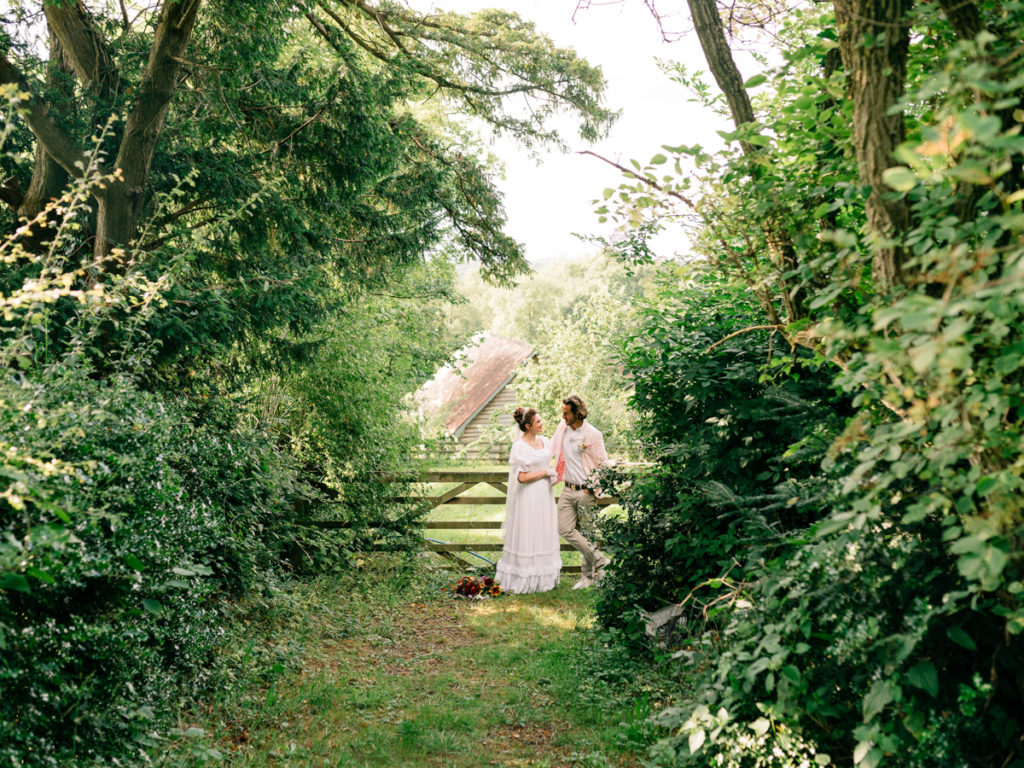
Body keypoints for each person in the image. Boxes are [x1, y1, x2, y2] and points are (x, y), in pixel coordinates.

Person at [494, 407, 563, 594]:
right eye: (538, 422)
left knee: (543, 529)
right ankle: (524, 576)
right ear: (527, 426)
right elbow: (522, 478)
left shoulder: (545, 441)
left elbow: (555, 459)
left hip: (544, 494)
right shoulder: (520, 446)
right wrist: (545, 472)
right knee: (529, 529)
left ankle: (543, 577)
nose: (541, 424)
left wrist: (554, 474)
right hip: (529, 494)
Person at [550, 394, 610, 589]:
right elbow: (550, 447)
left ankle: (587, 578)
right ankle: (602, 562)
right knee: (563, 528)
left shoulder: (593, 434)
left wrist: (591, 487)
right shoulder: (563, 429)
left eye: (566, 413)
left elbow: (603, 464)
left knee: (588, 534)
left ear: (577, 413)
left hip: (585, 492)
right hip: (567, 490)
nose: (563, 417)